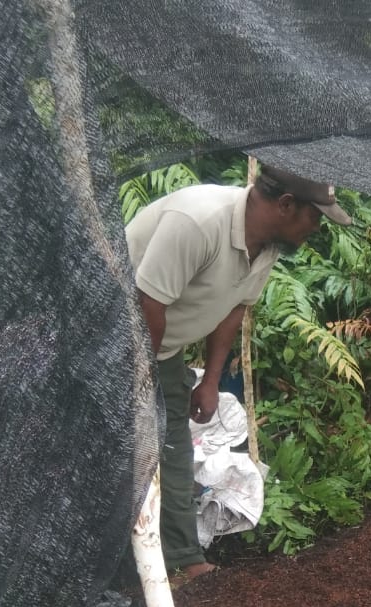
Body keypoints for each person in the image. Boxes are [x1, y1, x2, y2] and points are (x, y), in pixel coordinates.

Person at [126, 165, 352, 580]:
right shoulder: (197, 222)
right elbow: (148, 304)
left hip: (162, 351)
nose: (317, 227)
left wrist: (210, 381)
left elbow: (233, 310)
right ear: (285, 205)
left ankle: (184, 559)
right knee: (121, 451)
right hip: (111, 346)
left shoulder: (266, 246)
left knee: (173, 447)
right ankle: (114, 571)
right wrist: (140, 387)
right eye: (315, 216)